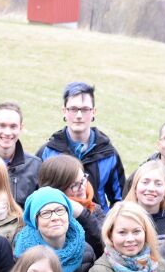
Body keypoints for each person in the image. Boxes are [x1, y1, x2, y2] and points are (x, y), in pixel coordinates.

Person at [37, 81, 124, 212]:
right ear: (64, 111)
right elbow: (37, 196)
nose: (78, 116)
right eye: (73, 109)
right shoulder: (48, 152)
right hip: (59, 224)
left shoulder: (108, 153)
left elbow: (120, 199)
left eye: (84, 109)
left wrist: (107, 224)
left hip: (97, 224)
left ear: (93, 112)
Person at [37, 153, 106, 257]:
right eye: (74, 185)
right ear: (57, 189)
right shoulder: (48, 217)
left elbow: (106, 245)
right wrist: (82, 215)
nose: (82, 187)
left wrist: (83, 214)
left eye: (83, 179)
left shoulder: (94, 208)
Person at [124, 158, 165, 239]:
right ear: (135, 187)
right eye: (145, 182)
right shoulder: (120, 217)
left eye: (158, 184)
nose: (151, 188)